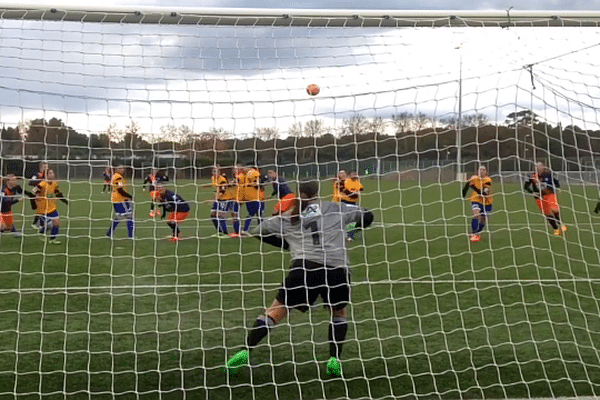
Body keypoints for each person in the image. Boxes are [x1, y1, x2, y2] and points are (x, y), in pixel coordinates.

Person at [225, 180, 375, 377]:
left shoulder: (290, 216)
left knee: (275, 312)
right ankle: (334, 360)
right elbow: (368, 215)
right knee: (338, 314)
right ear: (318, 193)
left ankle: (245, 351)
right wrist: (353, 230)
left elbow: (258, 231)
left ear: (299, 193)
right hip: (337, 269)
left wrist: (287, 245)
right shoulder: (336, 208)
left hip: (304, 268)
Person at [524, 162, 566, 236]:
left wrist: (558, 188)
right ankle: (556, 229)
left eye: (540, 167)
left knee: (554, 209)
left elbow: (556, 182)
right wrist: (532, 192)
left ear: (543, 167)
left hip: (549, 194)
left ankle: (560, 222)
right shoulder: (532, 176)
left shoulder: (548, 174)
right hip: (539, 197)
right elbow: (526, 186)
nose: (539, 169)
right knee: (547, 214)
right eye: (537, 167)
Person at [33, 169, 68, 244]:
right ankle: (41, 232)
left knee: (56, 223)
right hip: (43, 208)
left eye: (52, 173)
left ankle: (52, 239)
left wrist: (64, 200)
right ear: (46, 175)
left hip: (52, 207)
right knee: (49, 226)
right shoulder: (42, 184)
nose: (52, 174)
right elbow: (34, 191)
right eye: (50, 173)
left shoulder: (55, 184)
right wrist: (37, 197)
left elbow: (57, 192)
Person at [462, 165, 493, 242]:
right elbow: (467, 186)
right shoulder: (474, 178)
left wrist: (474, 187)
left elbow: (484, 193)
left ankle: (478, 232)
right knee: (476, 214)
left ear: (486, 172)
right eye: (480, 169)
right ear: (477, 171)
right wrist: (463, 194)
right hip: (476, 200)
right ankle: (474, 234)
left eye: (483, 170)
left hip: (487, 202)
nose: (481, 171)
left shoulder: (488, 180)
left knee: (482, 221)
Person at [106, 166, 134, 238]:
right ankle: (131, 236)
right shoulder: (118, 177)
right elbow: (120, 189)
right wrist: (129, 196)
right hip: (120, 200)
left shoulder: (115, 176)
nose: (122, 170)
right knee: (129, 216)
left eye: (123, 168)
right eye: (120, 168)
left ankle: (109, 233)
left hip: (116, 199)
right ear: (116, 169)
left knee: (118, 217)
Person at [338, 171, 364, 241]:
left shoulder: (357, 182)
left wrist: (354, 192)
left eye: (356, 174)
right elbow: (348, 192)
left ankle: (350, 236)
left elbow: (360, 189)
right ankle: (343, 235)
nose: (355, 175)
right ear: (349, 175)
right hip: (344, 203)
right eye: (353, 174)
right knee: (343, 220)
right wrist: (354, 193)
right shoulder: (346, 181)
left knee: (352, 222)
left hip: (353, 204)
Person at [209, 166, 234, 236]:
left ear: (219, 172)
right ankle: (219, 231)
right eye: (213, 171)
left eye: (216, 171)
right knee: (213, 215)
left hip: (224, 199)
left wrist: (213, 199)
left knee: (220, 216)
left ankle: (225, 232)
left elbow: (222, 191)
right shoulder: (212, 178)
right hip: (218, 199)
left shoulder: (222, 179)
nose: (215, 173)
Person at [242, 165, 265, 235]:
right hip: (256, 197)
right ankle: (260, 230)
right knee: (259, 214)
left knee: (251, 213)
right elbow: (257, 184)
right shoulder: (255, 173)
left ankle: (246, 229)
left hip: (248, 197)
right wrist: (262, 185)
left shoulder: (247, 174)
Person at [29, 162, 48, 229]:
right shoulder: (37, 175)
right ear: (40, 168)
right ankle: (37, 224)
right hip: (38, 195)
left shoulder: (47, 176)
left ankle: (39, 223)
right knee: (42, 209)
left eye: (46, 167)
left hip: (45, 194)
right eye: (44, 167)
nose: (46, 168)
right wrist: (40, 181)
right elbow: (31, 182)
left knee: (43, 209)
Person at [229, 165, 246, 238]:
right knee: (234, 214)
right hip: (236, 198)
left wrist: (229, 183)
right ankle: (237, 230)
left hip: (238, 198)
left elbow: (234, 182)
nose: (234, 170)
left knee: (235, 214)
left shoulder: (240, 176)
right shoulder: (239, 176)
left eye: (236, 169)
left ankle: (238, 231)